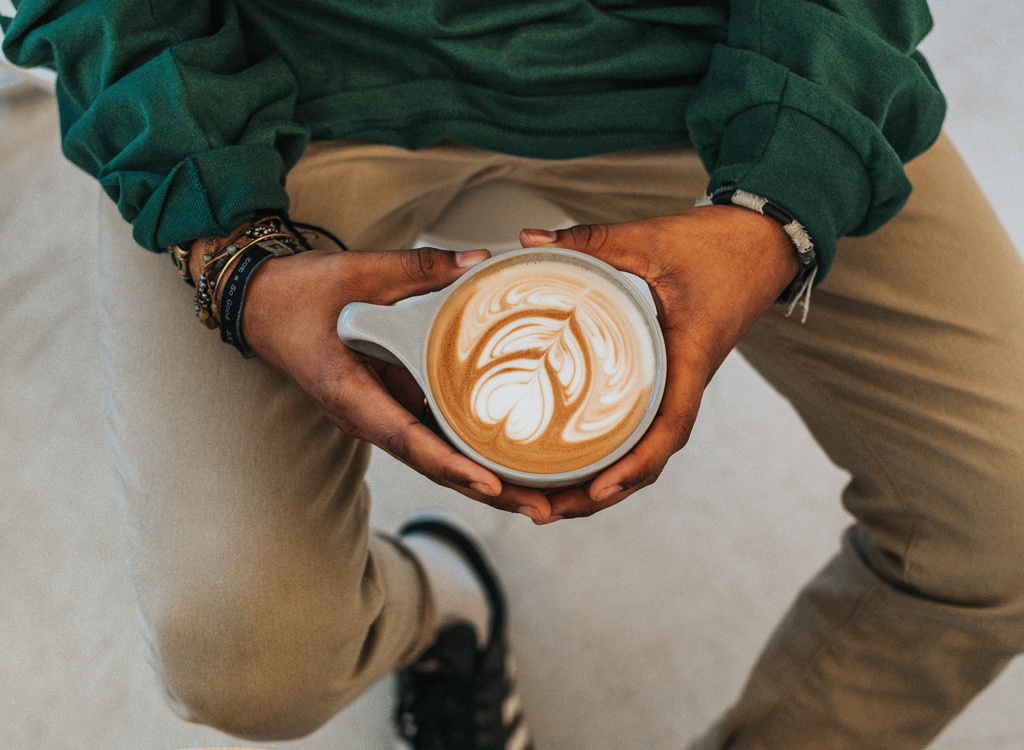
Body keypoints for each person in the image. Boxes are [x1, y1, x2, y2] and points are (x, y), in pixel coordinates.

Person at [3, 1, 1023, 748]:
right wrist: (225, 241)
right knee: (247, 660)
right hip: (272, 80)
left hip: (714, 65)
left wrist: (784, 198)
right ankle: (448, 604)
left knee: (1005, 530)